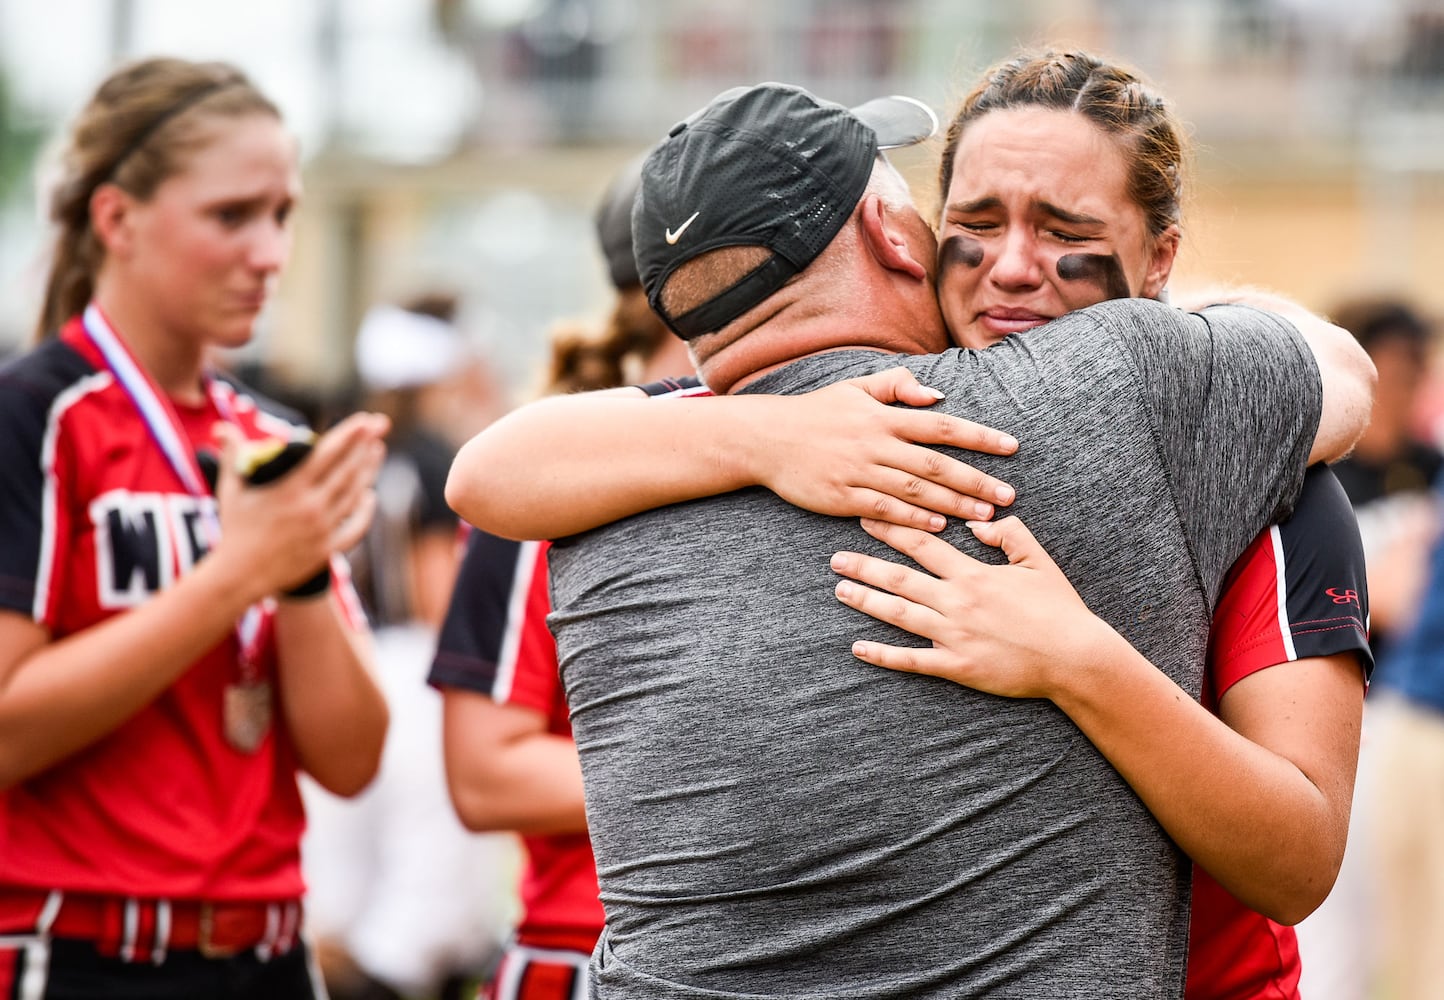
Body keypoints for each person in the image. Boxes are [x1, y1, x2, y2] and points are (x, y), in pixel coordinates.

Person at [447, 80, 1374, 997]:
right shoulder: (1136, 389)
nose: (1012, 266)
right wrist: (768, 435)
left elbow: (487, 475)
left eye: (1067, 232)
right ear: (903, 233)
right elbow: (1336, 363)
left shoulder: (601, 500)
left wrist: (1079, 660)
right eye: (973, 219)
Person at [0, 56, 389, 998]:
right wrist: (236, 573)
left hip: (271, 950)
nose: (270, 252)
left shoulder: (270, 440)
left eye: (283, 214)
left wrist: (295, 576)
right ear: (116, 220)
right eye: (232, 215)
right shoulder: (38, 416)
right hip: (86, 950)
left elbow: (349, 762)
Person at [429, 159, 692, 1000]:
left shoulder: (801, 443)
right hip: (585, 950)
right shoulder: (545, 475)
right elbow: (484, 772)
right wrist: (742, 767)